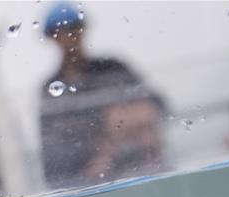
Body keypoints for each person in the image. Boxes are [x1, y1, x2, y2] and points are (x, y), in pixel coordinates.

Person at [38, 2, 152, 187]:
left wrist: (124, 123)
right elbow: (51, 149)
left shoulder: (114, 68)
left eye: (74, 28)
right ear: (52, 37)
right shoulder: (49, 89)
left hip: (135, 169)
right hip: (85, 179)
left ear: (83, 29)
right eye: (61, 31)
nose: (69, 36)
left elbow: (156, 105)